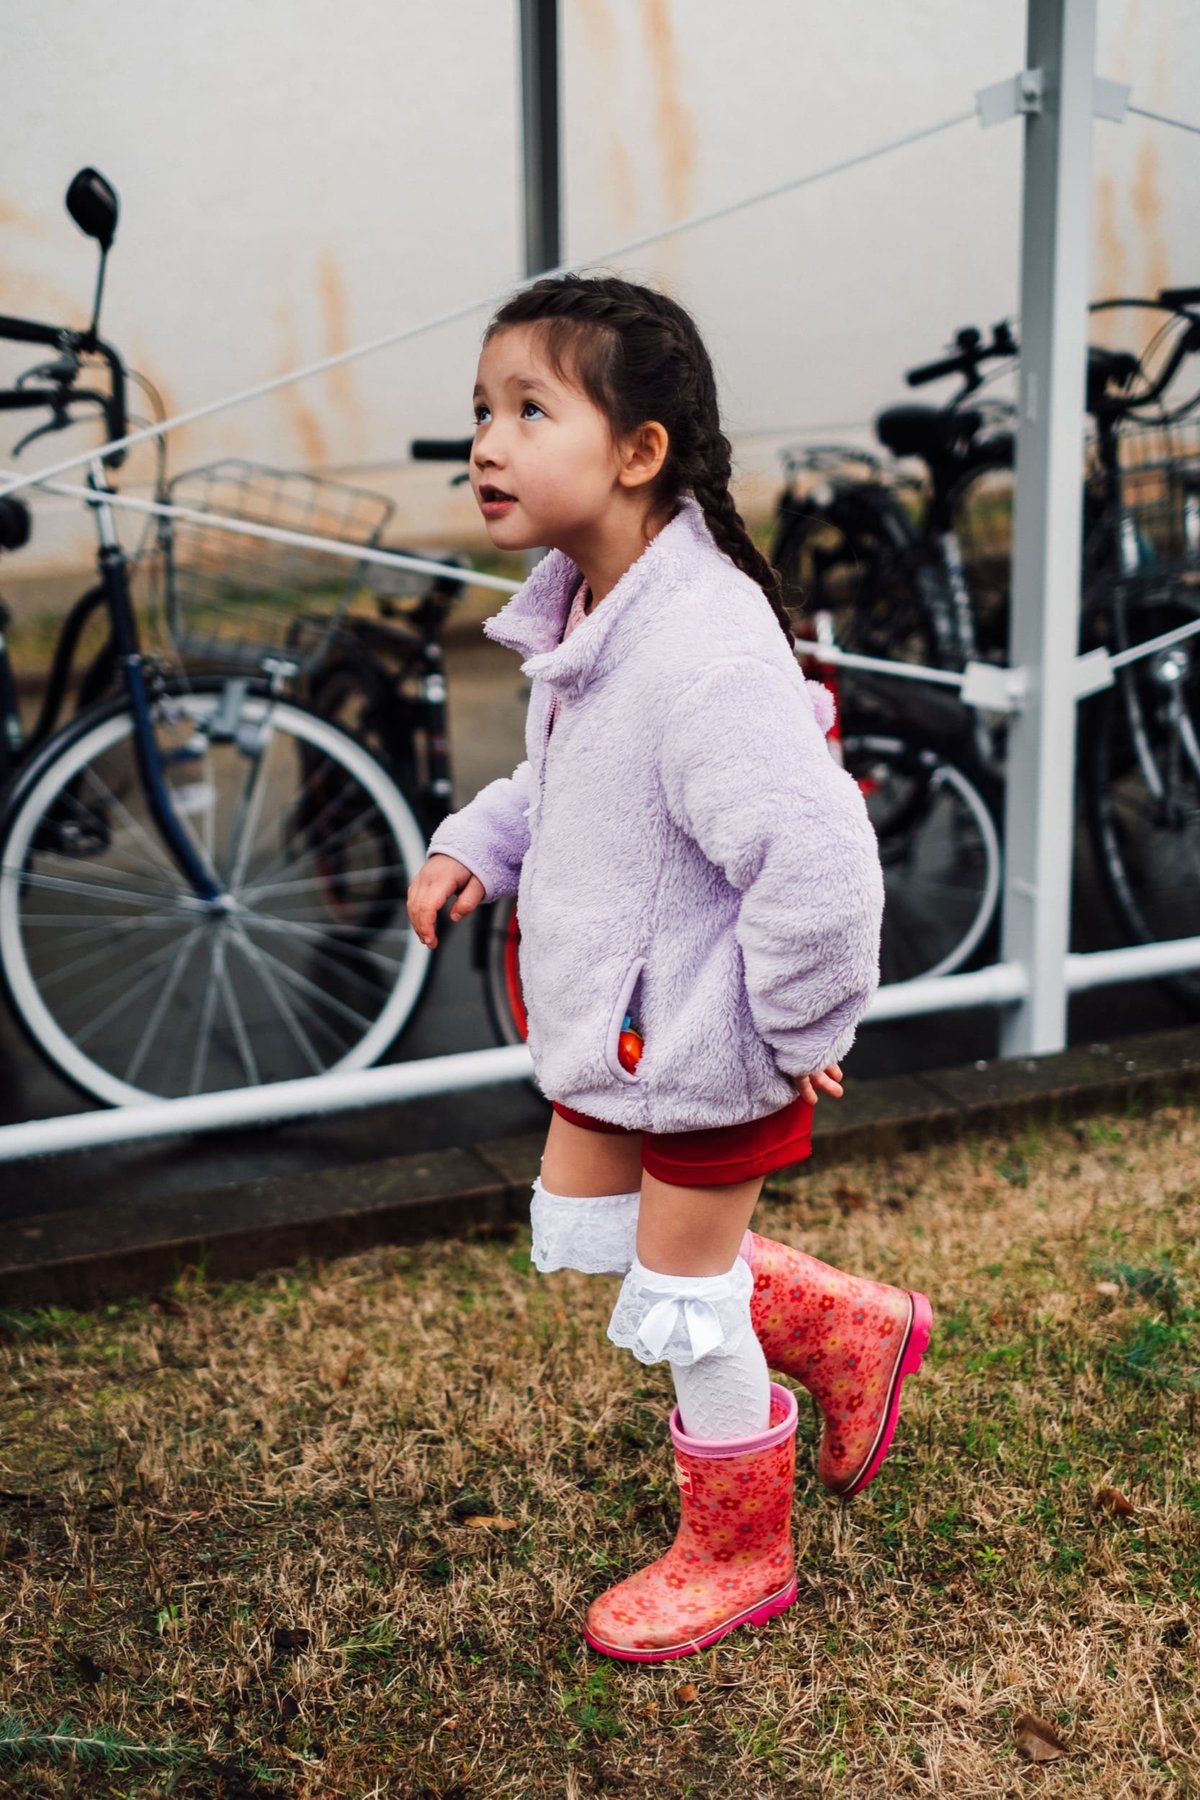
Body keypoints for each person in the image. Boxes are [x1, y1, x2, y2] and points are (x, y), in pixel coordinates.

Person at [406, 273, 932, 1663]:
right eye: (481, 410)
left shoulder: (699, 644)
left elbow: (816, 856)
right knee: (596, 1238)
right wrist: (480, 843)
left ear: (639, 452)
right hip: (624, 1034)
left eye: (530, 410)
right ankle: (843, 1329)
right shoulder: (592, 611)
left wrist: (802, 1021)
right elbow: (571, 789)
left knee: (689, 1301)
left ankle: (739, 1551)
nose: (487, 443)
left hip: (707, 1043)